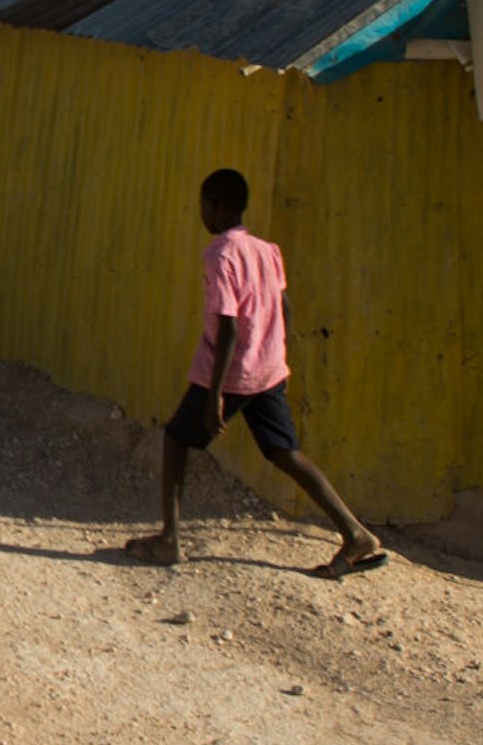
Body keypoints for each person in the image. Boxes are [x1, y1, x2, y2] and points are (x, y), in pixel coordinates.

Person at [119, 167, 385, 577]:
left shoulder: (219, 255)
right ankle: (354, 534)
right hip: (268, 368)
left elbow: (228, 326)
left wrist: (214, 397)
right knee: (285, 453)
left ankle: (169, 539)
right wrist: (281, 357)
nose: (201, 212)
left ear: (216, 206)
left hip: (231, 373)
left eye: (203, 204)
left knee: (175, 440)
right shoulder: (267, 250)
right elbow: (284, 307)